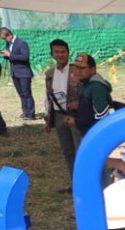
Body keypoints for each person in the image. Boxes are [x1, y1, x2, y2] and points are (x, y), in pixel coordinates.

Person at [43, 39, 81, 178]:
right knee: (67, 151)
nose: (60, 55)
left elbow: (86, 93)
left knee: (80, 150)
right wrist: (48, 119)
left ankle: (85, 183)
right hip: (59, 116)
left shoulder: (77, 71)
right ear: (52, 54)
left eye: (63, 52)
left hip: (76, 115)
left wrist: (78, 104)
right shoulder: (49, 74)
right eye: (57, 52)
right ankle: (74, 182)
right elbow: (48, 98)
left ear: (68, 53)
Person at [67, 53, 113, 137]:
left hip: (97, 136)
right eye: (77, 67)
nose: (78, 71)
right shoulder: (86, 83)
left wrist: (76, 122)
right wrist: (79, 105)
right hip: (89, 133)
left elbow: (102, 116)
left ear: (93, 69)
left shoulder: (96, 86)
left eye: (83, 68)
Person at [0, 27, 34, 120]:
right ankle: (25, 112)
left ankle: (31, 114)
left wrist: (10, 55)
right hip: (15, 73)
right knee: (21, 94)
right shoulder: (8, 44)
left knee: (27, 93)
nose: (4, 40)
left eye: (4, 38)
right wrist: (6, 55)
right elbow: (12, 57)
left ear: (9, 35)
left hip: (24, 73)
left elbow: (25, 57)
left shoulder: (21, 43)